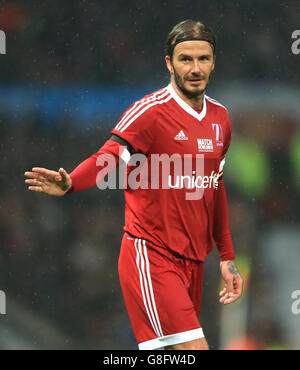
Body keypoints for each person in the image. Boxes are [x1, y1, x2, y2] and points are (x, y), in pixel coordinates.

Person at [25, 19, 243, 350]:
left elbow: (215, 188)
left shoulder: (220, 119)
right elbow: (108, 157)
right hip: (151, 254)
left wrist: (226, 257)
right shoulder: (150, 112)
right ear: (169, 63)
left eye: (203, 58)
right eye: (186, 59)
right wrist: (72, 183)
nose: (195, 68)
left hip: (194, 263)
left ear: (214, 62)